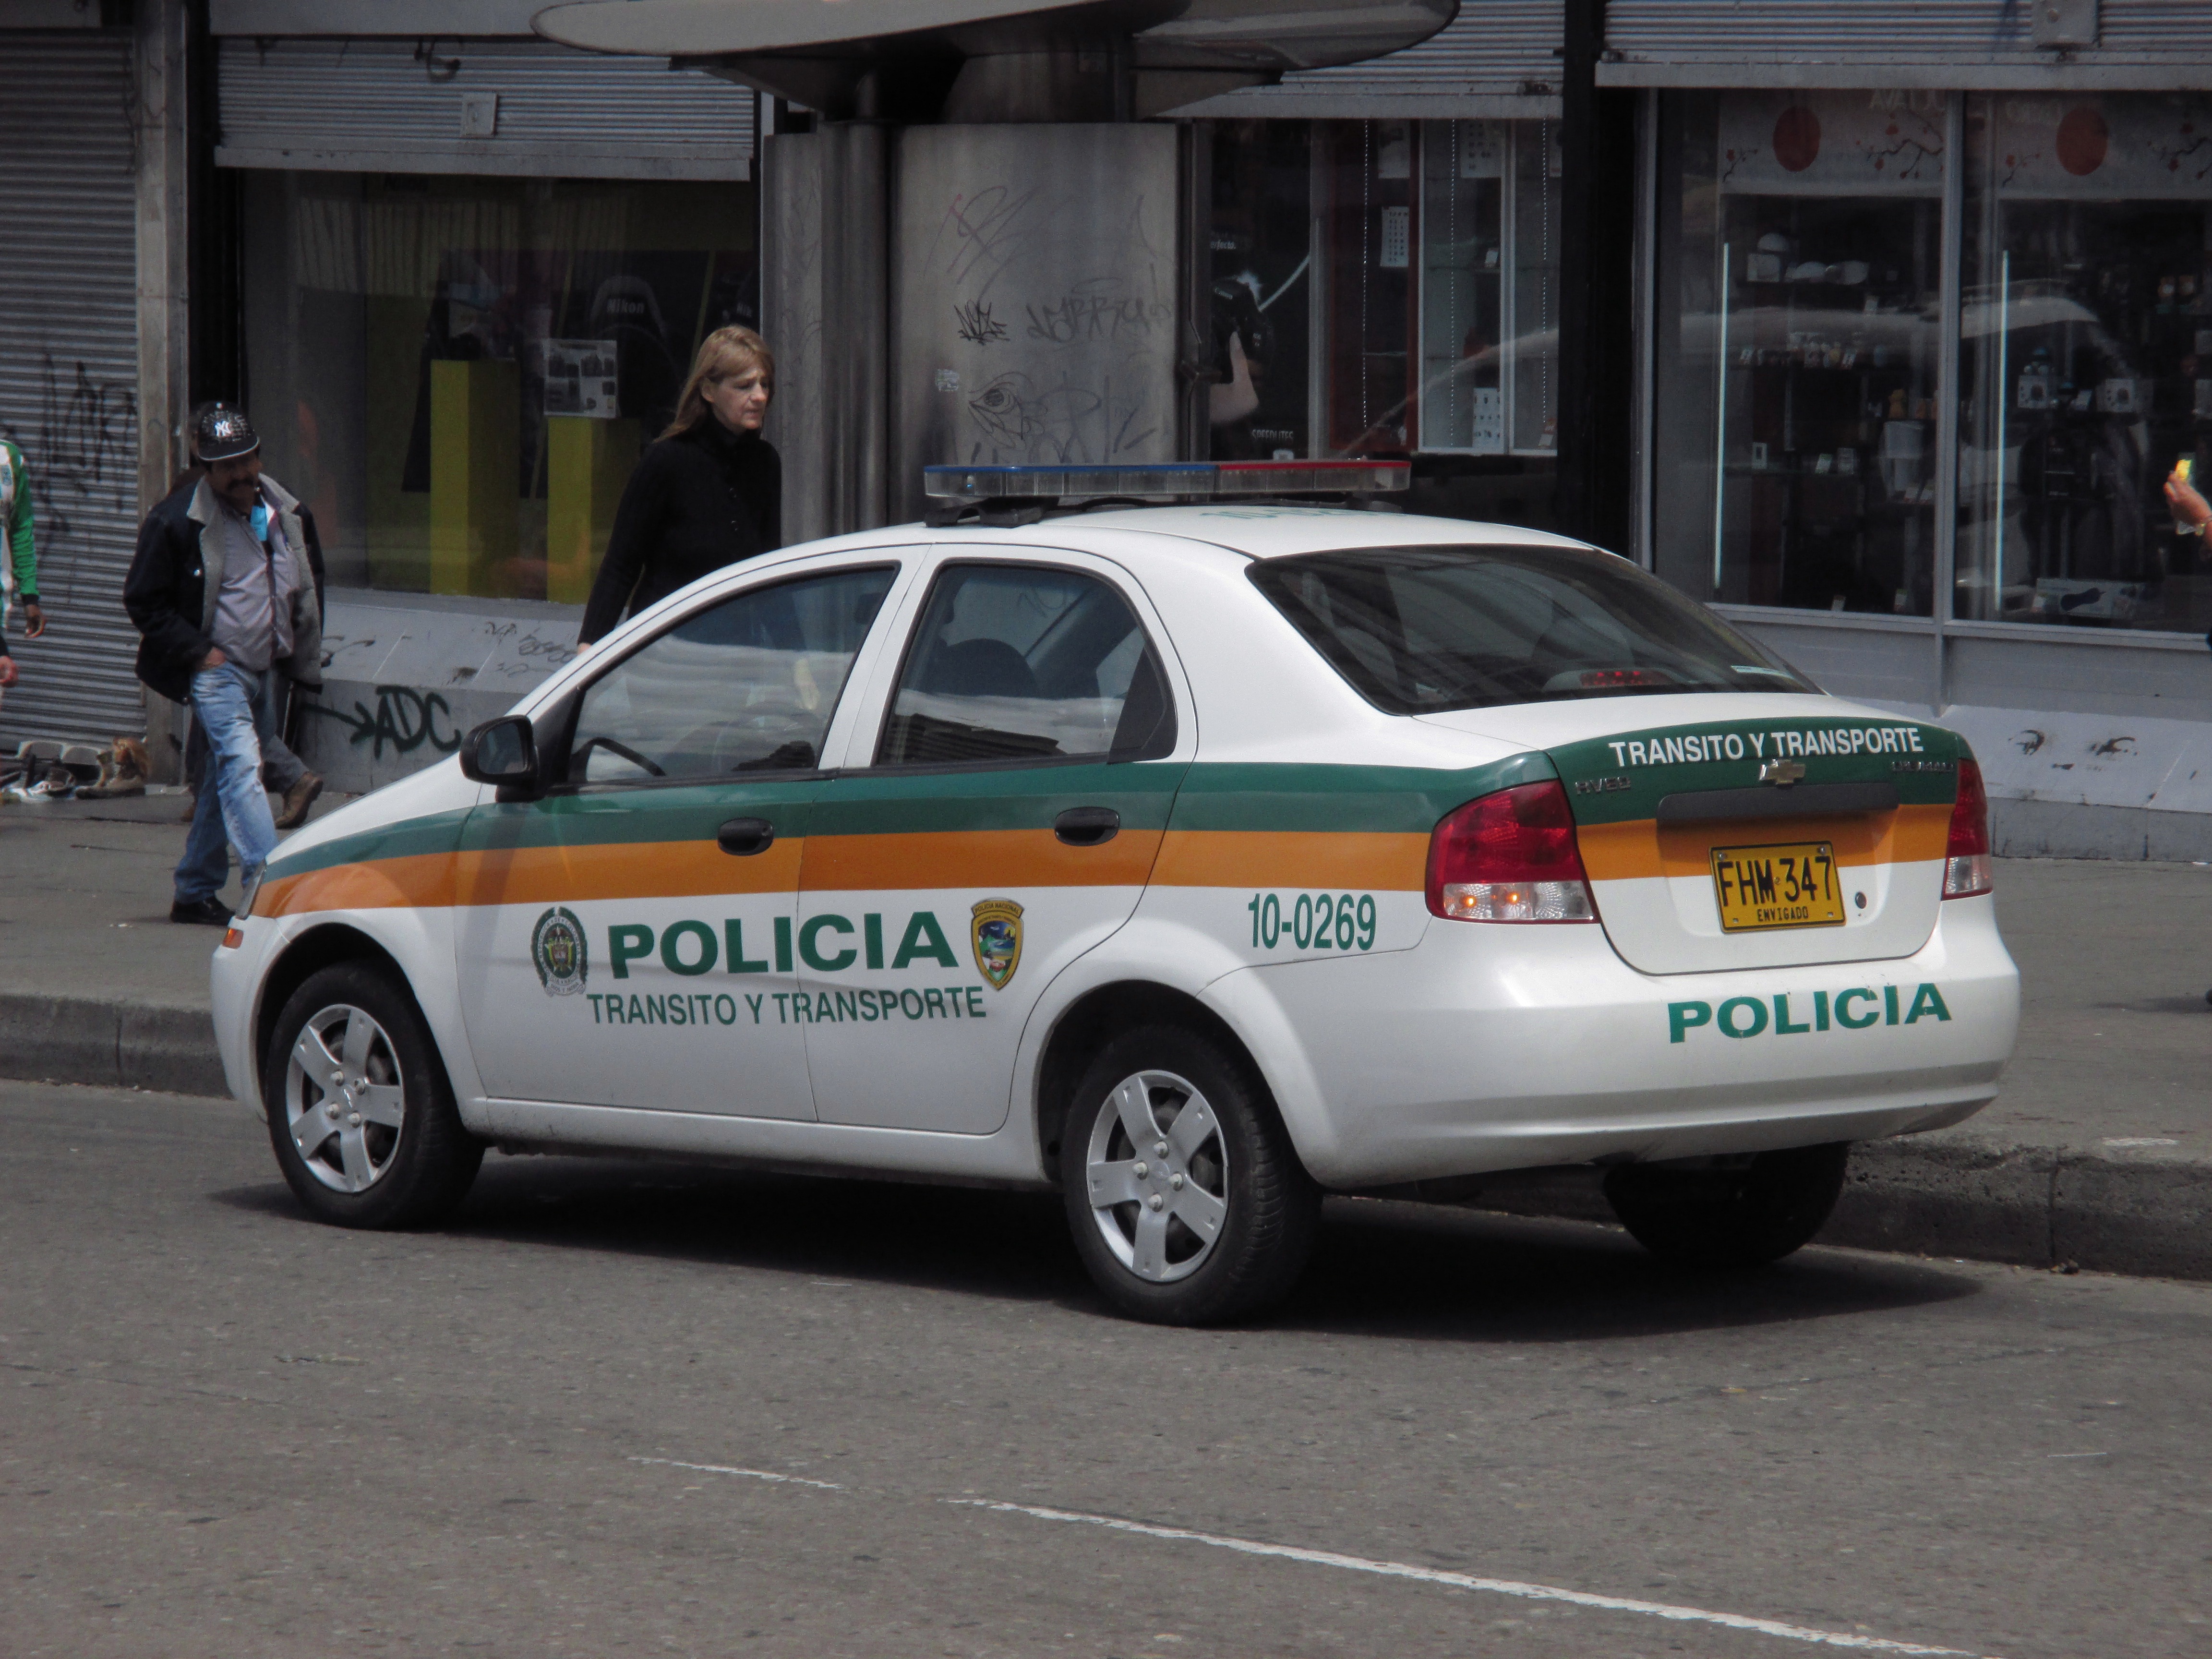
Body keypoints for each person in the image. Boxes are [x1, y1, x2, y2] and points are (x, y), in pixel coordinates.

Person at [124, 406, 326, 925]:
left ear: (259, 457)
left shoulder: (280, 510)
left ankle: (193, 891)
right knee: (242, 769)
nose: (239, 475)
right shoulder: (175, 522)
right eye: (225, 467)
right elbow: (143, 601)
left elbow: (298, 577)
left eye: (245, 461)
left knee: (219, 780)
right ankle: (267, 885)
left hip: (265, 669)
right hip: (218, 671)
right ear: (206, 470)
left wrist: (294, 646)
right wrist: (199, 652)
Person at [576, 325, 781, 650]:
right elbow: (621, 564)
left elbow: (770, 568)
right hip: (663, 650)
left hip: (736, 652)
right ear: (709, 391)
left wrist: (799, 659)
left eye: (764, 384)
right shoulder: (667, 461)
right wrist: (589, 648)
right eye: (744, 386)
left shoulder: (765, 464)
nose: (759, 396)